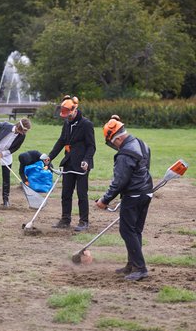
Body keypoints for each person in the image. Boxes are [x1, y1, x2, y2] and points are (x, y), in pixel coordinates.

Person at [96, 118, 153, 281]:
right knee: (135, 231)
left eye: (113, 142)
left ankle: (140, 269)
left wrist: (104, 200)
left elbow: (120, 181)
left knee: (127, 231)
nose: (114, 146)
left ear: (118, 138)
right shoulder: (142, 144)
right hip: (146, 192)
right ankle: (132, 265)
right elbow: (145, 168)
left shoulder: (124, 154)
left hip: (134, 195)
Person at [45, 95, 96, 231]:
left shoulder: (86, 124)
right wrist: (50, 157)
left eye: (68, 114)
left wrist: (86, 160)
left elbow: (91, 146)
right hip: (68, 162)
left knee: (81, 193)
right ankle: (65, 219)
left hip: (81, 165)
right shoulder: (67, 123)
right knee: (66, 193)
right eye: (65, 115)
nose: (66, 117)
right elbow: (62, 141)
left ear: (74, 110)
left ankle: (84, 221)